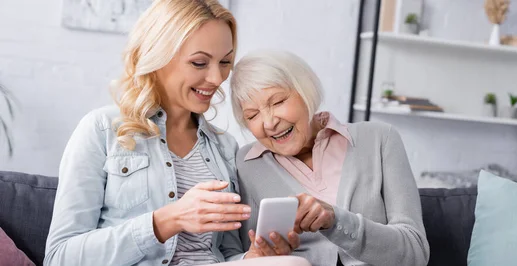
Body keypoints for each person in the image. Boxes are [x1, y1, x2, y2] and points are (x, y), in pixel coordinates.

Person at [44, 1, 308, 265]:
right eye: (199, 62)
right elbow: (59, 257)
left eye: (225, 62)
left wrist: (253, 257)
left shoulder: (225, 147)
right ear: (159, 56)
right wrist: (166, 221)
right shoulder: (102, 130)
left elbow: (226, 253)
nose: (217, 78)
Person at [230, 50, 430, 266]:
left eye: (277, 102)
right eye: (252, 115)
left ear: (305, 90)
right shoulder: (246, 165)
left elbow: (415, 252)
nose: (269, 123)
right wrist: (255, 257)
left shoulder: (379, 139)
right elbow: (230, 255)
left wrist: (335, 221)